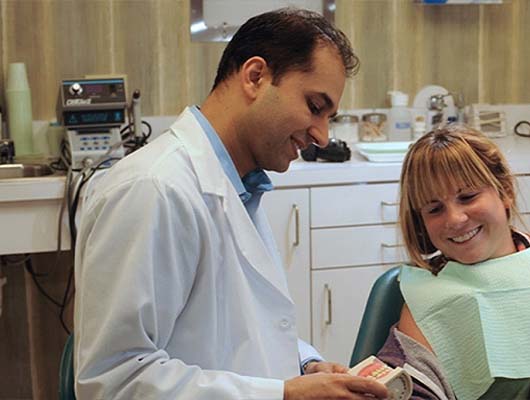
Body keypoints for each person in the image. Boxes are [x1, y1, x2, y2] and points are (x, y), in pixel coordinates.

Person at [73, 8, 388, 400]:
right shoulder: (154, 189)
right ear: (255, 77)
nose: (323, 136)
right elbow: (115, 381)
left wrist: (304, 364)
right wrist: (285, 395)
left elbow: (240, 331)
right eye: (314, 106)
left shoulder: (240, 186)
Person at [376, 125, 530, 400]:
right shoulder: (426, 304)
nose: (455, 219)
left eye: (468, 196)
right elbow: (410, 388)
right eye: (435, 209)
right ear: (421, 223)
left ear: (504, 190)